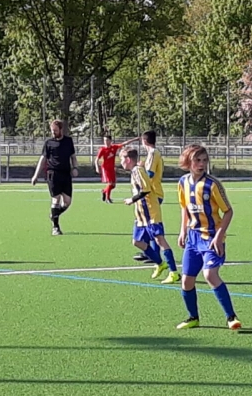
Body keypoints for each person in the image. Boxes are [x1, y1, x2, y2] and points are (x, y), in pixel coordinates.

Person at [176, 145, 241, 330]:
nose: (202, 164)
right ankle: (193, 317)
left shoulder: (212, 184)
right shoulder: (183, 182)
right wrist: (183, 231)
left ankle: (231, 317)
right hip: (193, 238)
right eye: (197, 160)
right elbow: (184, 207)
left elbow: (228, 211)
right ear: (188, 161)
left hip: (211, 238)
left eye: (204, 160)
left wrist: (219, 237)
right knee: (186, 280)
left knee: (210, 274)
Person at [121, 149, 180, 283]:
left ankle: (174, 272)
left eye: (122, 159)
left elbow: (146, 189)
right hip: (141, 215)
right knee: (137, 241)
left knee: (160, 240)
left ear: (128, 159)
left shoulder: (138, 170)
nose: (121, 162)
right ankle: (160, 263)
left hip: (151, 212)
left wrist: (131, 200)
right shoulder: (135, 171)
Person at [31, 120, 79, 236]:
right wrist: (36, 175)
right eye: (52, 131)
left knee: (67, 202)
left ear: (61, 130)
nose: (53, 133)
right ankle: (55, 227)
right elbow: (42, 159)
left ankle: (54, 214)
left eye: (55, 131)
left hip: (66, 174)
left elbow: (73, 157)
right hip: (53, 174)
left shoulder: (68, 141)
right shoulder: (49, 143)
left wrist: (75, 168)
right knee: (56, 199)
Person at [95, 134, 138, 203]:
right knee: (110, 183)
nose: (106, 142)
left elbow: (124, 143)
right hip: (106, 168)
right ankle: (108, 198)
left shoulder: (114, 147)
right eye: (104, 140)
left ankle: (104, 191)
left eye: (107, 140)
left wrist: (135, 139)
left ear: (110, 141)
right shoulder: (102, 149)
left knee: (113, 185)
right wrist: (97, 167)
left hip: (112, 168)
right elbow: (96, 159)